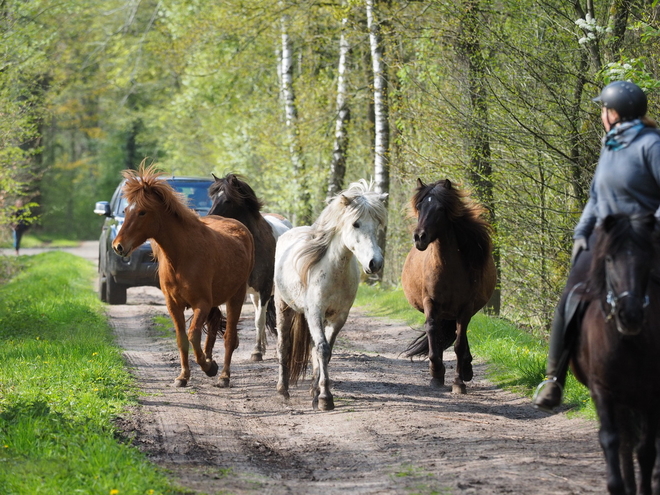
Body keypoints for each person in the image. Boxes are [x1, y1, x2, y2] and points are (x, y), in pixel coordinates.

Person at [533, 80, 660, 413]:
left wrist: (650, 227)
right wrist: (581, 233)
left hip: (645, 239)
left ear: (614, 112)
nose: (602, 113)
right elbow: (595, 198)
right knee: (571, 297)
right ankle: (553, 379)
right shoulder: (611, 146)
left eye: (603, 108)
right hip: (605, 239)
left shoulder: (651, 144)